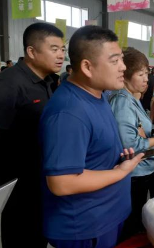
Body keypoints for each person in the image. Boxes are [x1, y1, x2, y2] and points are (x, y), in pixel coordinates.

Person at [39, 25, 144, 248]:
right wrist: (120, 173)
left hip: (104, 217)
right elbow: (62, 182)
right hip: (85, 228)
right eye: (114, 61)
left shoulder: (98, 95)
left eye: (122, 60)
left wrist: (116, 158)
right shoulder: (69, 112)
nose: (123, 68)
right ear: (87, 66)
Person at [0, 23, 65, 248]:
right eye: (54, 48)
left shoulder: (48, 82)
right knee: (21, 236)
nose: (61, 55)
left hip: (41, 179)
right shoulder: (10, 83)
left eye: (63, 49)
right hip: (18, 184)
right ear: (32, 51)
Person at [109, 47, 154, 240]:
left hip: (141, 169)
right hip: (133, 173)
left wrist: (146, 135)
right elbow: (130, 142)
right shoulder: (123, 101)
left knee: (135, 220)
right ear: (125, 76)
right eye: (140, 74)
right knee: (130, 225)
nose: (146, 79)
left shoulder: (131, 99)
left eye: (147, 74)